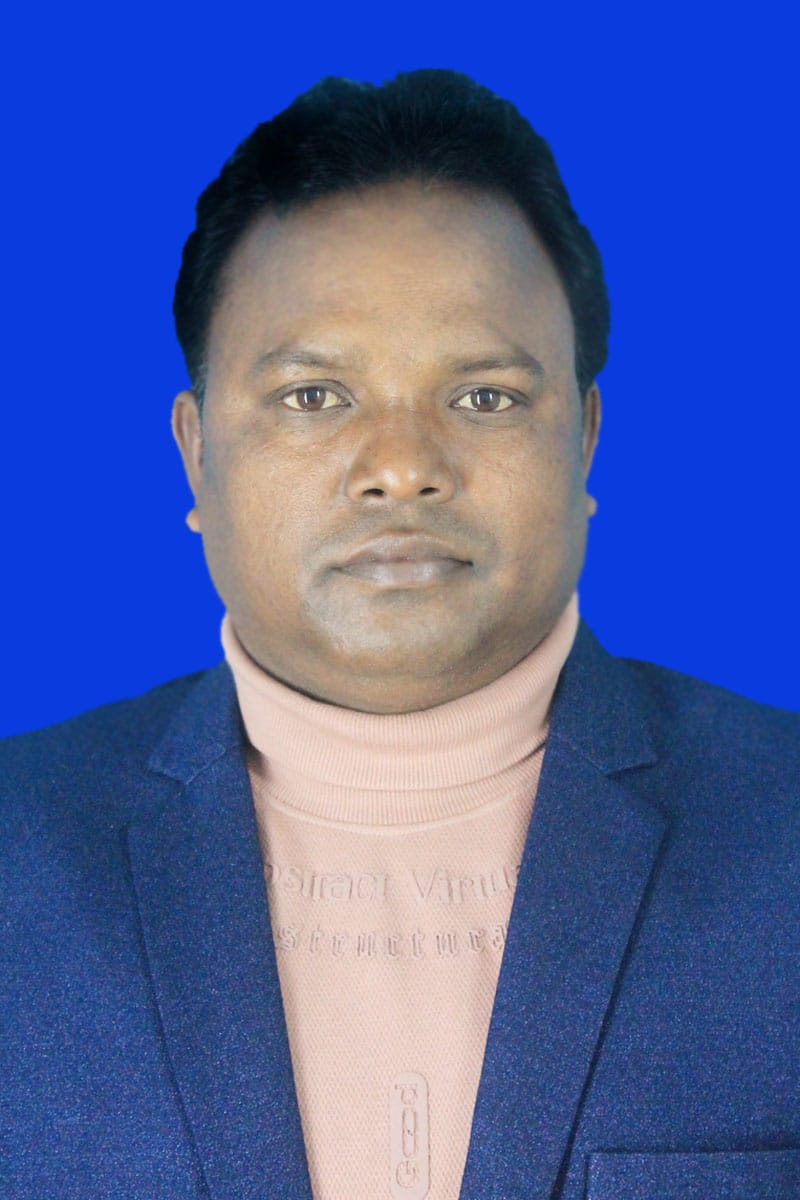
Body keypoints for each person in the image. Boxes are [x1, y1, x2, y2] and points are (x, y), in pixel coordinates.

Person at [2, 68, 798, 1200]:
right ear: (195, 453)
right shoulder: (18, 853)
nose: (401, 468)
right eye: (313, 396)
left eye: (483, 397)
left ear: (584, 440)